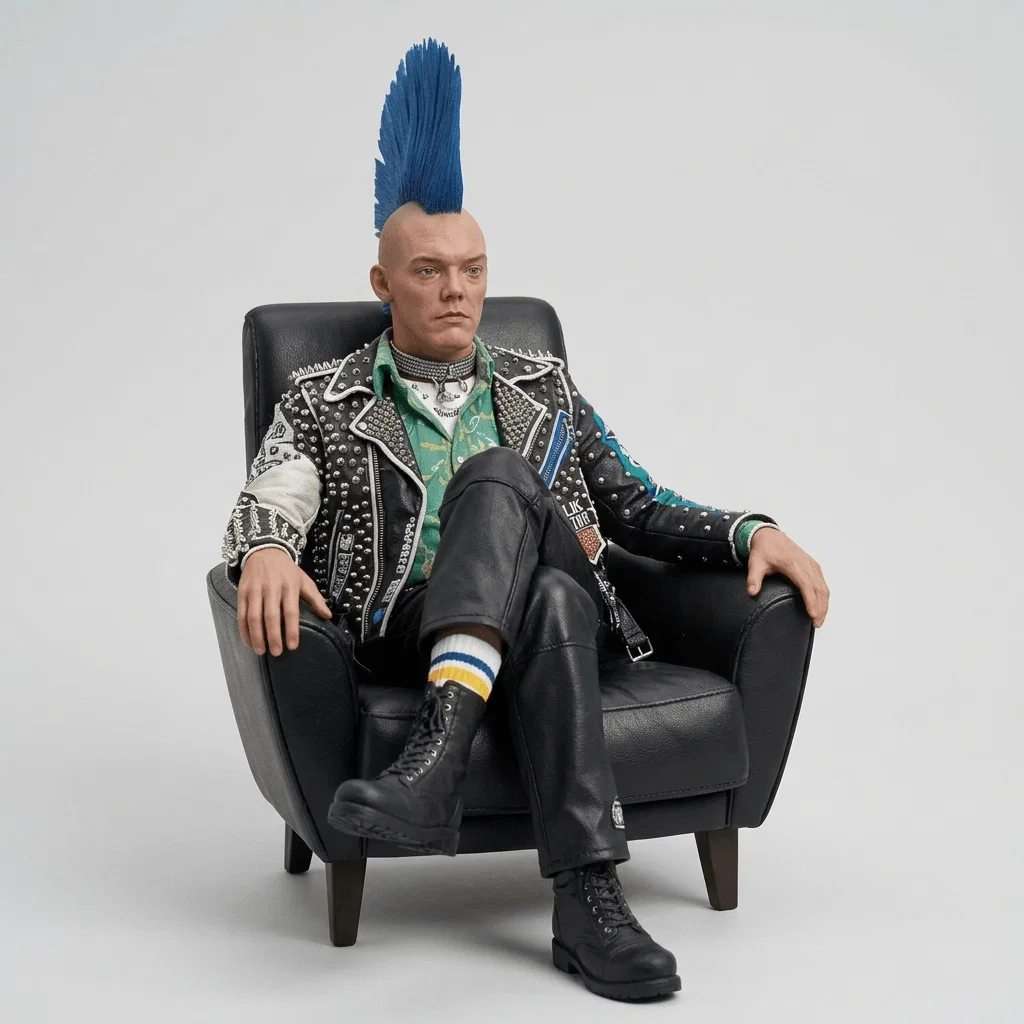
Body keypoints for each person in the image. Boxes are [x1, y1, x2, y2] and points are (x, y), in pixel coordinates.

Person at [220, 39, 829, 1002]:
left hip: (573, 595)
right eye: (429, 271)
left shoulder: (542, 387)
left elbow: (637, 504)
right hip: (405, 624)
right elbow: (273, 495)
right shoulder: (320, 397)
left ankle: (435, 760)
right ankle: (589, 901)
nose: (457, 290)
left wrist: (750, 530)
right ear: (383, 284)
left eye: (473, 270)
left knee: (503, 482)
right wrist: (261, 546)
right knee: (545, 597)